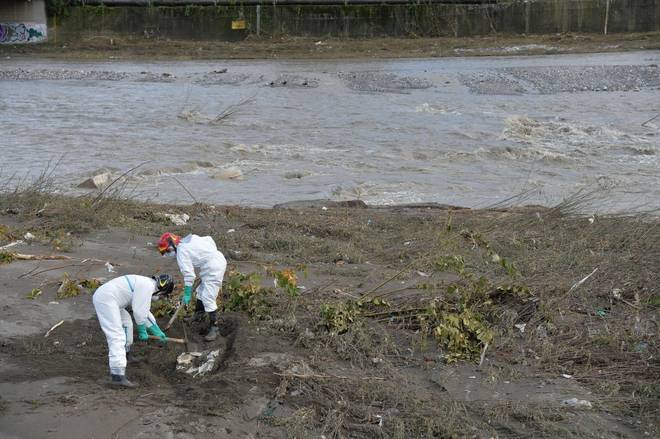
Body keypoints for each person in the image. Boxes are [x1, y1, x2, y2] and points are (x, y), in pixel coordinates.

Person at [92, 274, 174, 388]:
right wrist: (142, 330)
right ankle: (117, 376)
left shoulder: (148, 284)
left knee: (127, 324)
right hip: (106, 300)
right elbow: (139, 312)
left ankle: (126, 354)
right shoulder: (147, 286)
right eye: (162, 296)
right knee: (116, 336)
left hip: (112, 300)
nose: (160, 298)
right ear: (161, 291)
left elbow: (144, 310)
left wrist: (156, 330)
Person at [157, 232, 227, 341]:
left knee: (208, 297)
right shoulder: (190, 239)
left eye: (167, 251)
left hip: (214, 267)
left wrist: (187, 293)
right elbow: (209, 239)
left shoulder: (181, 251)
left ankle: (214, 327)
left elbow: (189, 275)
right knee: (201, 291)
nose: (168, 253)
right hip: (212, 262)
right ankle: (198, 315)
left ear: (172, 246)